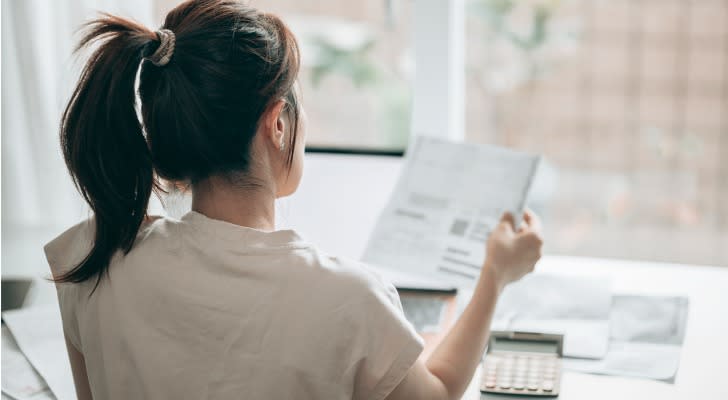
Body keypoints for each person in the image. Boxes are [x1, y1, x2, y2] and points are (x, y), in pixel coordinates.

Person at [45, 1, 543, 399]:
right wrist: (495, 275)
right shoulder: (348, 301)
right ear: (278, 123)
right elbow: (435, 394)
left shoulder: (90, 258)